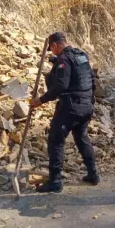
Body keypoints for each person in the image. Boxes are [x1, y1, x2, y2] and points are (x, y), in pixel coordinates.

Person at [30, 32, 99, 193]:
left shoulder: (64, 59)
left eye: (51, 49)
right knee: (81, 137)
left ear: (54, 45)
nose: (52, 52)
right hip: (86, 104)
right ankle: (93, 173)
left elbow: (60, 85)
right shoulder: (81, 55)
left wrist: (39, 101)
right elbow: (88, 78)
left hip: (71, 107)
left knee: (56, 140)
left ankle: (55, 182)